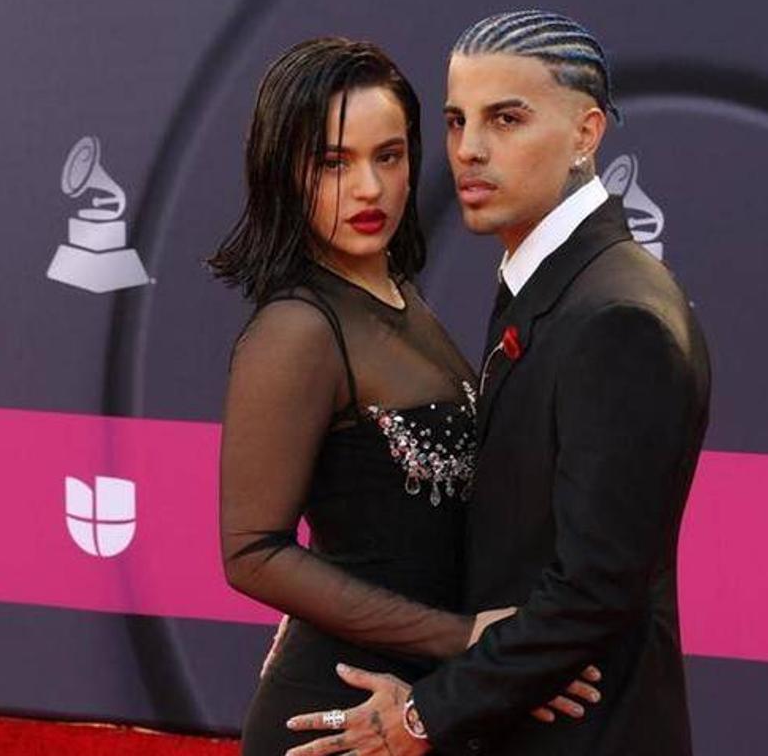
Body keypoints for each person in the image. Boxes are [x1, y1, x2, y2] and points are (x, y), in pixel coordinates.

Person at [283, 10, 712, 756]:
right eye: (455, 122)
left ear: (586, 133)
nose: (469, 151)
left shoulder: (618, 316)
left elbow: (592, 590)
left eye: (506, 119)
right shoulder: (548, 281)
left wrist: (420, 717)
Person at [211, 37, 595, 756]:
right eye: (334, 163)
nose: (369, 189)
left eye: (388, 156)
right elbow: (251, 553)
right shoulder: (298, 329)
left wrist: (503, 654)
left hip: (423, 705)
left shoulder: (398, 297)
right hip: (339, 717)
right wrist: (470, 639)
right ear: (283, 173)